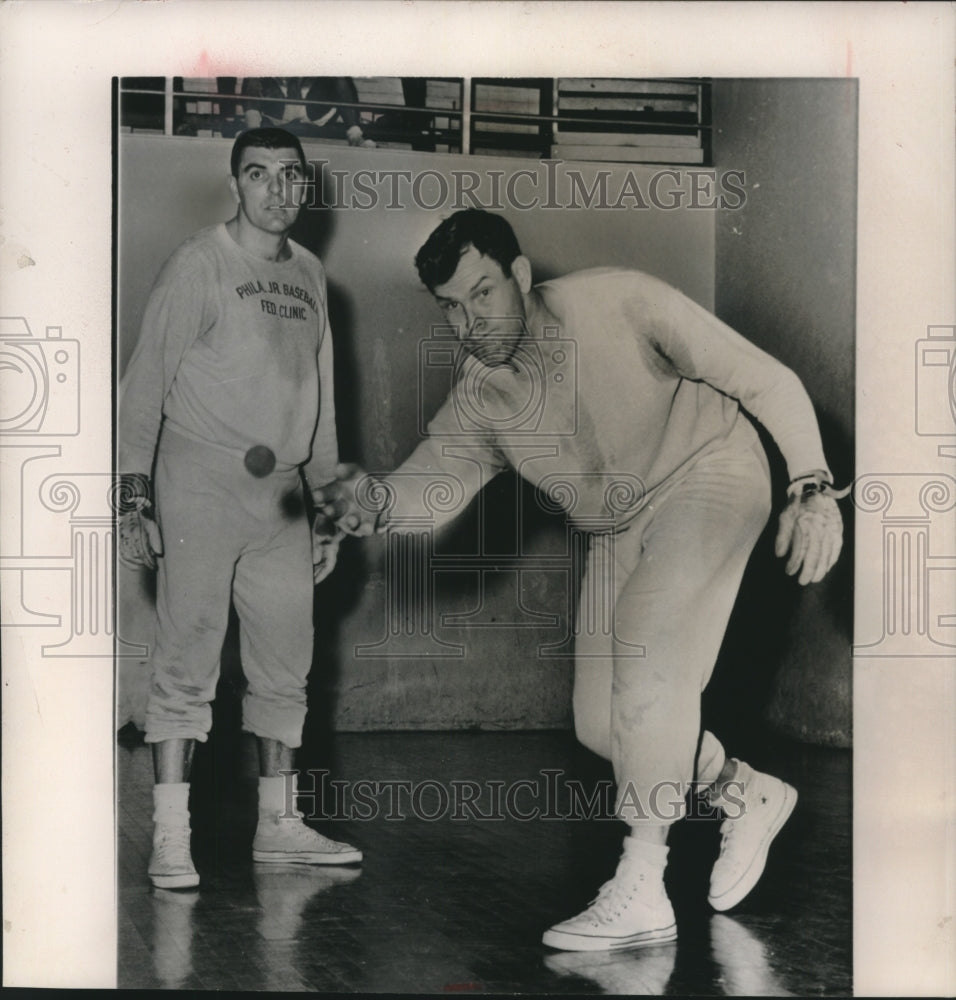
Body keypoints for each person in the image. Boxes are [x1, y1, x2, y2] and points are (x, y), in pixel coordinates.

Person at [319, 209, 844, 950]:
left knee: (646, 651)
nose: (471, 322)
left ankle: (643, 881)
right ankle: (742, 791)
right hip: (618, 527)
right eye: (451, 307)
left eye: (483, 295)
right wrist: (368, 503)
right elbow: (430, 487)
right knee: (603, 725)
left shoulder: (622, 301)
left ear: (522, 276)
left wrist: (813, 488)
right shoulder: (481, 398)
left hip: (710, 476)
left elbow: (766, 378)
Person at [117, 126, 361, 890]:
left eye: (291, 177)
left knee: (287, 665)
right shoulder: (200, 263)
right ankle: (170, 834)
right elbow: (143, 387)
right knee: (187, 659)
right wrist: (132, 495)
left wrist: (325, 505)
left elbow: (319, 400)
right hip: (198, 478)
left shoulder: (315, 275)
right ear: (236, 186)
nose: (278, 190)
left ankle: (279, 825)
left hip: (283, 496)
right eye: (260, 176)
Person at [239, 77, 375, 147]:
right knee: (253, 72)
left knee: (339, 76)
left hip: (313, 104)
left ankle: (355, 135)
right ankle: (252, 133)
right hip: (281, 104)